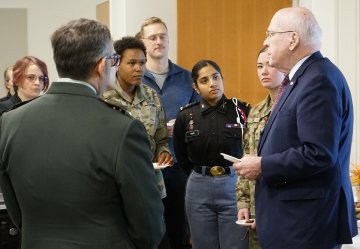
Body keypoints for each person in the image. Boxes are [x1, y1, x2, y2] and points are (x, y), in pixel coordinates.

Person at [0, 18, 165, 249]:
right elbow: (148, 225)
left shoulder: (10, 122)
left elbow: (16, 212)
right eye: (113, 59)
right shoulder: (122, 129)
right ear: (101, 65)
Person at [233, 7, 357, 249]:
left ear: (292, 39)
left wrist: (262, 165)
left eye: (270, 34)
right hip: (294, 221)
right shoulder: (302, 78)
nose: (265, 42)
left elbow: (318, 153)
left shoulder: (318, 79)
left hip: (304, 226)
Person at [173, 59, 250, 249]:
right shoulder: (186, 116)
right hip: (199, 185)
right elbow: (181, 155)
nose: (212, 83)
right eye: (205, 80)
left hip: (233, 183)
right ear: (196, 87)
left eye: (216, 77)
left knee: (236, 245)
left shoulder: (242, 111)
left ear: (222, 78)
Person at [140, 16, 201, 249]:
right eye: (152, 37)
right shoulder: (135, 79)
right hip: (145, 167)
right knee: (150, 234)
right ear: (143, 42)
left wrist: (184, 125)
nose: (158, 41)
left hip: (178, 167)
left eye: (162, 36)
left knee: (179, 233)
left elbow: (200, 116)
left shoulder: (186, 78)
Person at [235, 46, 284, 249]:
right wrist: (244, 202)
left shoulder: (292, 108)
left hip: (282, 208)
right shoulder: (255, 112)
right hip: (256, 209)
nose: (264, 70)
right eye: (259, 66)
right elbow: (247, 158)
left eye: (270, 65)